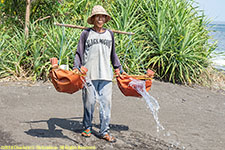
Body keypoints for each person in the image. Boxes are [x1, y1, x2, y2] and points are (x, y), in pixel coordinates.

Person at [73, 5, 126, 143]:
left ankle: (104, 131)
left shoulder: (110, 34)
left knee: (106, 104)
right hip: (89, 74)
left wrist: (118, 68)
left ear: (105, 19)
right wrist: (76, 67)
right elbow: (79, 53)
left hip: (106, 76)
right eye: (98, 16)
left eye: (102, 16)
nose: (100, 19)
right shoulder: (86, 34)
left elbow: (113, 54)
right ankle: (87, 127)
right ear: (93, 18)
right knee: (89, 102)